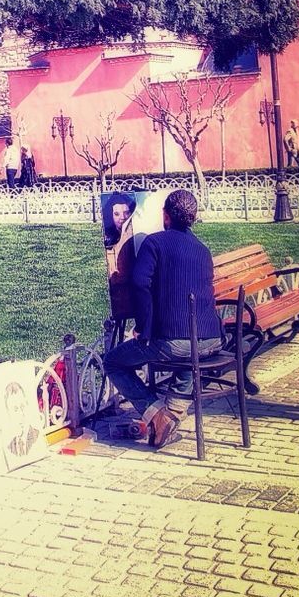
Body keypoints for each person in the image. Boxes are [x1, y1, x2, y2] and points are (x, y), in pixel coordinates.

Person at [102, 189, 222, 449]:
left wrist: (144, 327)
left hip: (177, 341)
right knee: (186, 351)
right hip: (212, 339)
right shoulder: (203, 249)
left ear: (165, 215)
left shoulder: (154, 243)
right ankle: (174, 413)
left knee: (112, 362)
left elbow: (139, 282)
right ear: (193, 217)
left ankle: (157, 415)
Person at [102, 192, 137, 320]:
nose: (122, 217)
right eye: (116, 214)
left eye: (126, 212)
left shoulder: (135, 233)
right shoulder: (110, 238)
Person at [4, 380, 39, 458]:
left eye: (22, 406)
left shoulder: (37, 438)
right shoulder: (10, 447)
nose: (21, 414)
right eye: (15, 409)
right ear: (9, 413)